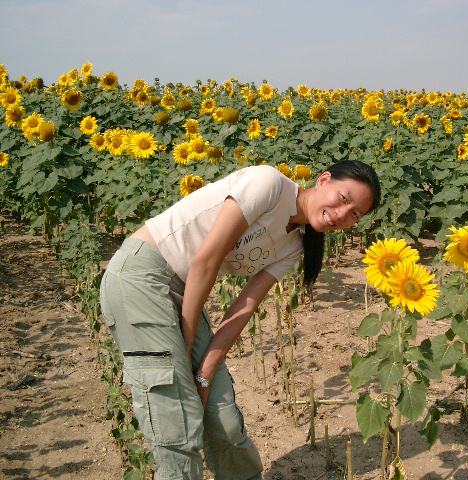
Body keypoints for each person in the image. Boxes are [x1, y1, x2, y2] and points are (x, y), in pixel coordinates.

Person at [99, 160, 381, 480]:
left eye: (355, 214)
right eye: (344, 199)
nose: (343, 215)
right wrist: (187, 341)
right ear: (323, 180)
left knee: (223, 419)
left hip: (182, 290)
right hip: (141, 277)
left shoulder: (293, 245)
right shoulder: (268, 184)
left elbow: (243, 309)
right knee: (177, 424)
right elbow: (206, 260)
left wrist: (204, 375)